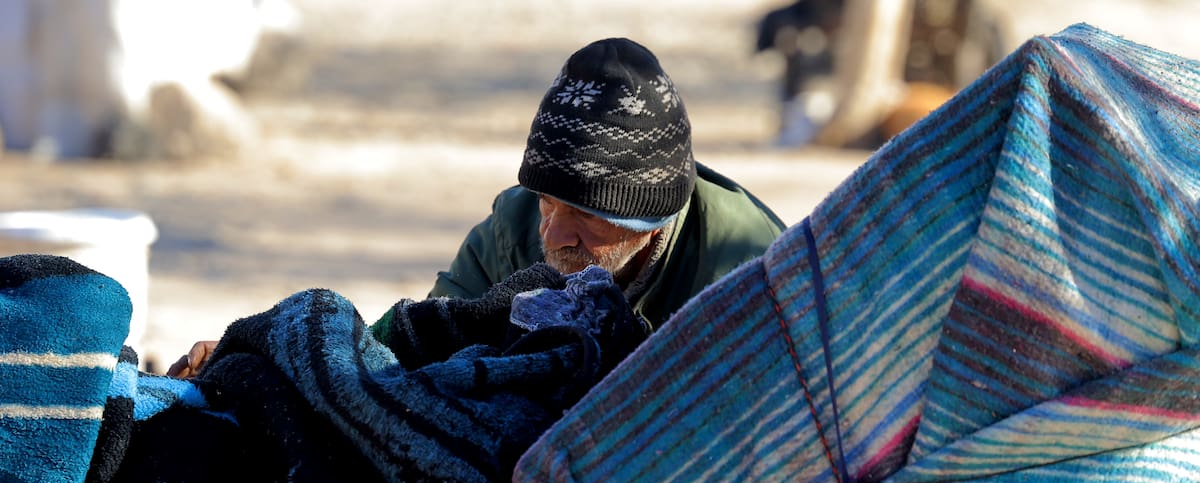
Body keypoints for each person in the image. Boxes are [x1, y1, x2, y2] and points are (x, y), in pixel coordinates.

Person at [169, 37, 786, 378]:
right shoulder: (514, 227)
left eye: (592, 217)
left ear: (649, 222)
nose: (558, 236)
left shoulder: (745, 266)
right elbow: (415, 347)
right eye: (550, 201)